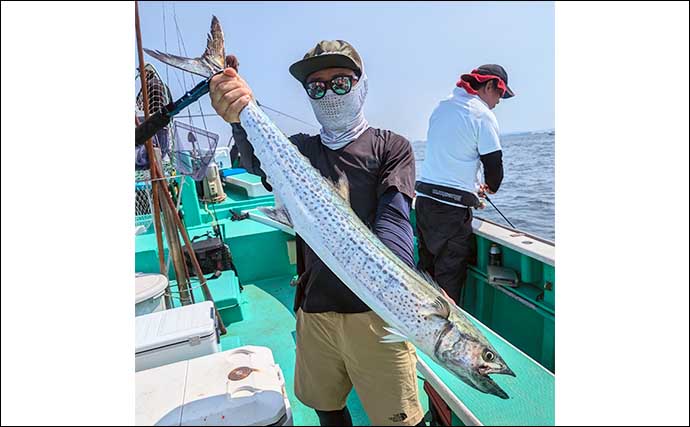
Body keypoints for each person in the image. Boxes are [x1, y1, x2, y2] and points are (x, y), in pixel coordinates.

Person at [209, 40, 424, 427]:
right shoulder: (299, 149)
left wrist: (399, 285)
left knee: (398, 421)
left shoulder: (391, 147)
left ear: (361, 86)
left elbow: (394, 220)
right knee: (327, 407)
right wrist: (238, 115)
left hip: (375, 315)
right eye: (317, 87)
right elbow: (255, 161)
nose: (329, 93)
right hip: (315, 309)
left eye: (340, 82)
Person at [415, 64, 515, 305]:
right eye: (500, 94)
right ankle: (441, 339)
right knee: (447, 285)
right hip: (451, 214)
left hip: (425, 204)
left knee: (424, 273)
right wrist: (489, 188)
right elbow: (494, 169)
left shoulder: (442, 107)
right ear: (489, 85)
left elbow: (452, 156)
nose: (499, 102)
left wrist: (472, 187)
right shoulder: (482, 114)